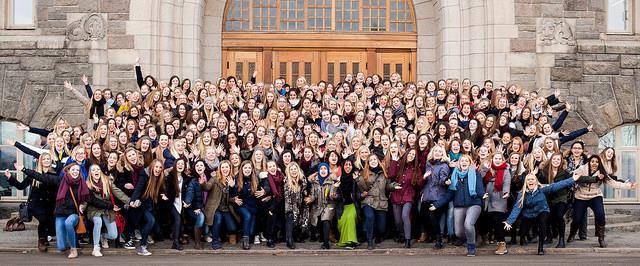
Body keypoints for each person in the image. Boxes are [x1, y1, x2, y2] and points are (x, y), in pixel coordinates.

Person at [504, 169, 583, 255]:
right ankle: (522, 238)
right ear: (525, 182)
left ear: (536, 181)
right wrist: (509, 221)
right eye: (528, 180)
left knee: (542, 222)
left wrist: (572, 179)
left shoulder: (542, 189)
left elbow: (557, 185)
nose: (530, 181)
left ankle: (540, 247)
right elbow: (517, 208)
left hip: (542, 211)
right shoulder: (521, 194)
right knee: (523, 229)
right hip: (528, 214)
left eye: (532, 179)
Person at [567, 155, 636, 248]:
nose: (594, 163)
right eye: (592, 161)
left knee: (600, 214)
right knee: (577, 218)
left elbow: (612, 182)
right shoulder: (582, 169)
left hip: (595, 196)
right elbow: (572, 176)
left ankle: (601, 238)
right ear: (589, 162)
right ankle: (572, 234)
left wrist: (628, 186)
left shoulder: (602, 172)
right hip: (581, 196)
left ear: (599, 163)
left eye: (597, 162)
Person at [430, 155, 485, 257]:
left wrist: (483, 195)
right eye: (462, 161)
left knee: (468, 225)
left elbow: (479, 188)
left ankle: (471, 247)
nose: (464, 162)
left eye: (466, 161)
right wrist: (436, 205)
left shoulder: (475, 174)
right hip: (459, 205)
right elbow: (449, 195)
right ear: (459, 163)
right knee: (458, 232)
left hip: (474, 204)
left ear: (470, 163)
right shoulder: (454, 176)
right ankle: (465, 238)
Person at [3, 153, 57, 252]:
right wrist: (10, 177)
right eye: (44, 159)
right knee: (43, 219)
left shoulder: (54, 174)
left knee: (48, 222)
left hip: (49, 204)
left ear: (51, 161)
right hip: (36, 204)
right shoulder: (33, 174)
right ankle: (41, 240)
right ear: (40, 161)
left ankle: (46, 238)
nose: (46, 160)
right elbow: (21, 186)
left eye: (48, 159)